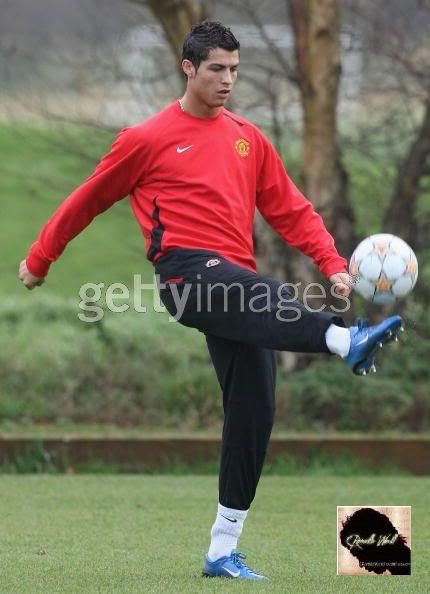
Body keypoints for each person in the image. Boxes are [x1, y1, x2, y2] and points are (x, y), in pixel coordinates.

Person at [18, 21, 403, 580]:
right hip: (185, 276)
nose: (228, 80)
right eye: (217, 69)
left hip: (237, 287)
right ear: (189, 69)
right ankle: (346, 339)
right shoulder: (145, 139)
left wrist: (333, 264)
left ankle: (222, 551)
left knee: (254, 410)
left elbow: (291, 209)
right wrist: (39, 257)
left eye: (235, 70)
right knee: (262, 292)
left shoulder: (248, 137)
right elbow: (87, 199)